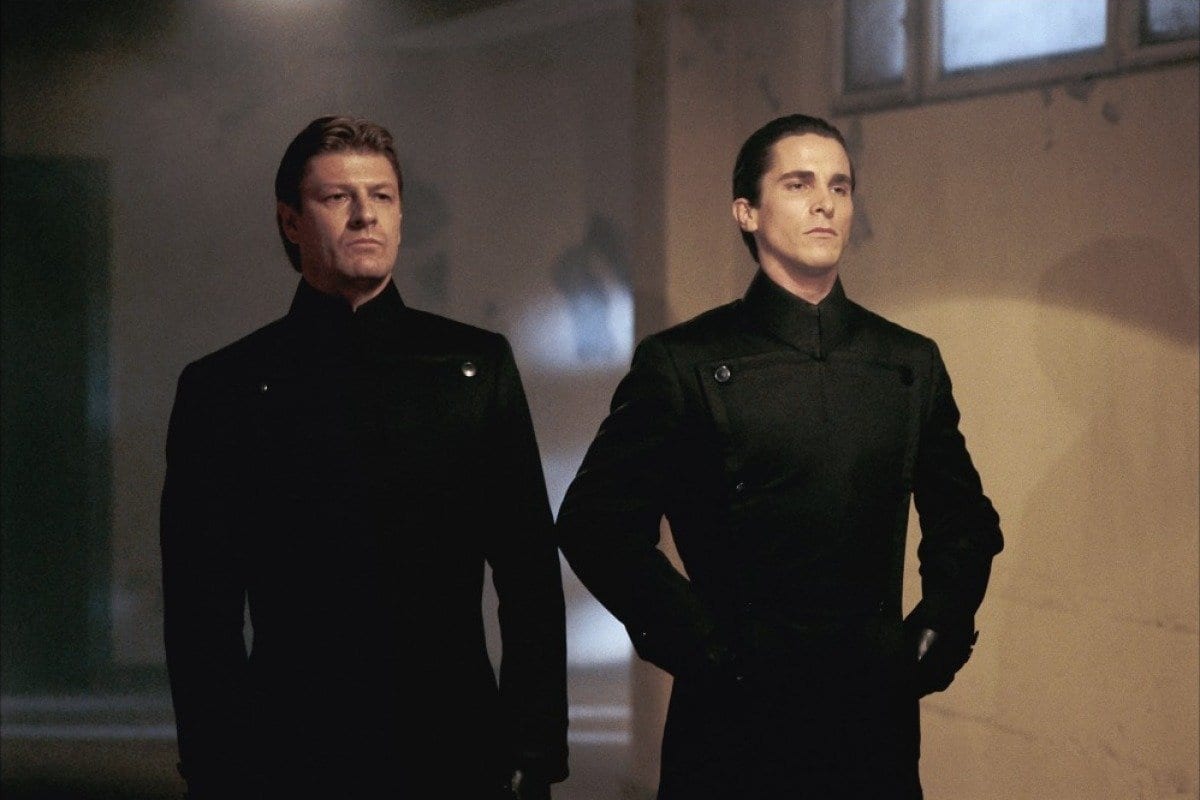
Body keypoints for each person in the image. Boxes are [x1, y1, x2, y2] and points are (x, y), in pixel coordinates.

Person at [556, 113, 1003, 799]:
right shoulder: (683, 362)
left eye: (839, 186)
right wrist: (706, 647)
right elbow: (596, 524)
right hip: (731, 731)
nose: (825, 202)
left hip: (871, 729)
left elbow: (964, 519)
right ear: (747, 211)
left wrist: (941, 623)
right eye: (799, 184)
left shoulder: (908, 362)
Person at [160, 116, 568, 799]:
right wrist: (213, 762)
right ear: (290, 222)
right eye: (336, 197)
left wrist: (536, 747)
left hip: (454, 743)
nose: (364, 215)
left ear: (401, 215)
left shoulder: (473, 366)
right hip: (290, 749)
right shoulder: (225, 385)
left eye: (382, 196)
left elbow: (528, 576)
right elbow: (201, 605)